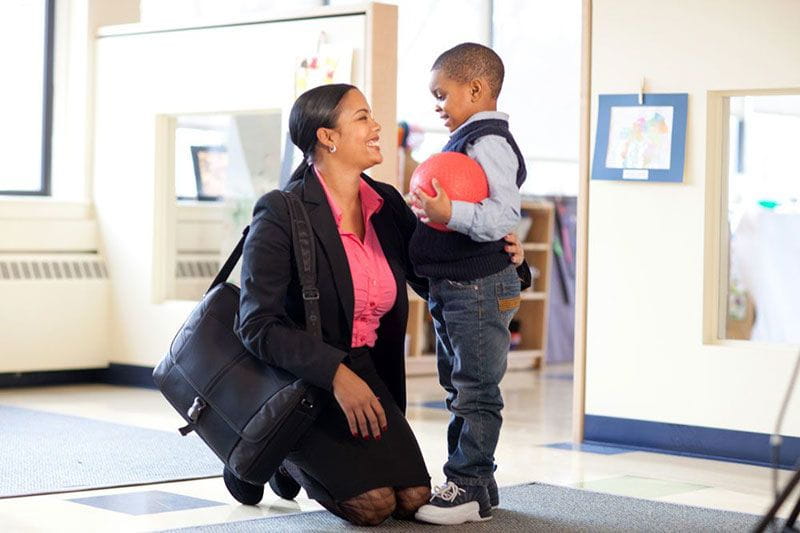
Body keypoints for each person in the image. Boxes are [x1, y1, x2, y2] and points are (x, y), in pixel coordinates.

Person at [225, 83, 526, 527]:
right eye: (362, 117)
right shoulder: (281, 211)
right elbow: (257, 324)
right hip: (304, 379)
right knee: (373, 506)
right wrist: (336, 375)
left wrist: (506, 264)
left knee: (413, 498)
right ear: (328, 137)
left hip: (368, 374)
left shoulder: (386, 204)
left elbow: (435, 274)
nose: (377, 126)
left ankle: (294, 457)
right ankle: (282, 452)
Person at [409, 43, 528, 525]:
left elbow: (502, 213)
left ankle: (469, 483)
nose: (438, 106)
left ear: (476, 89)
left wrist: (447, 212)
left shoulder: (488, 143)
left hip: (478, 289)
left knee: (475, 390)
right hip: (455, 288)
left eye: (443, 95)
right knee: (458, 385)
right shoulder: (467, 141)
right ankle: (480, 483)